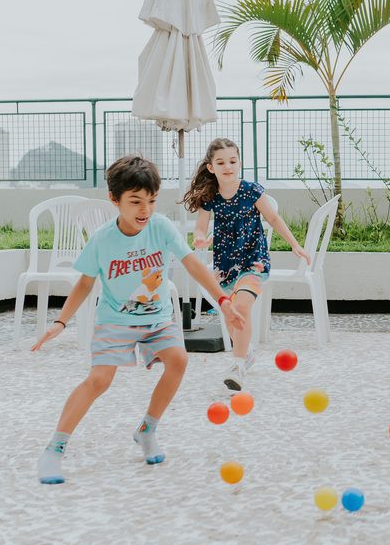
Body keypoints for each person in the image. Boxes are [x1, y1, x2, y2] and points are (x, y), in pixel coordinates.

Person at [32, 155, 247, 485]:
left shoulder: (160, 226)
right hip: (115, 319)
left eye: (151, 200)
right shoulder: (103, 239)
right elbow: (85, 283)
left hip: (157, 317)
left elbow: (193, 265)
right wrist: (60, 322)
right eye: (135, 201)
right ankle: (54, 449)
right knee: (99, 380)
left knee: (178, 360)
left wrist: (224, 301)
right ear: (114, 200)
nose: (144, 210)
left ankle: (147, 430)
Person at [183, 138, 310, 392]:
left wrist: (294, 244)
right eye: (221, 162)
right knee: (231, 314)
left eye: (232, 161)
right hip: (226, 264)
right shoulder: (211, 197)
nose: (227, 167)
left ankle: (237, 365)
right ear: (211, 168)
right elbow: (200, 226)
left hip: (254, 260)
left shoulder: (251, 190)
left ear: (239, 163)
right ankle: (247, 352)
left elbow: (273, 217)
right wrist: (199, 238)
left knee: (241, 306)